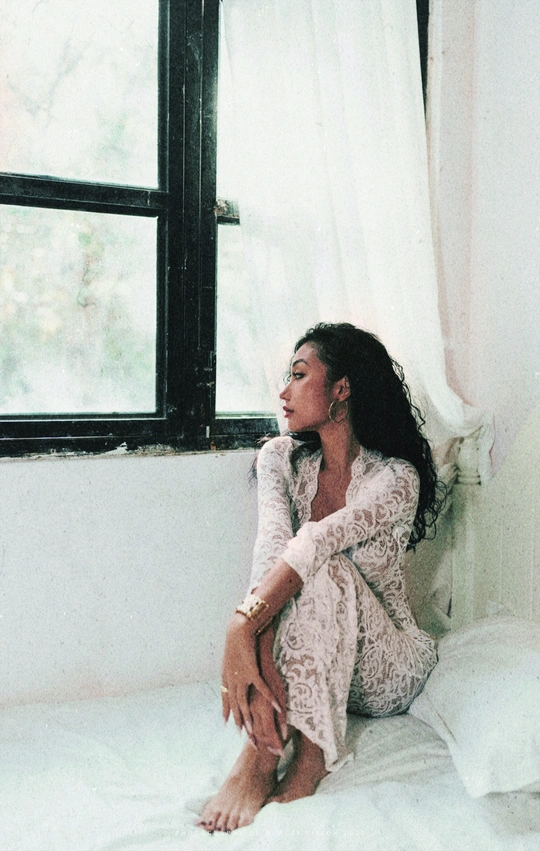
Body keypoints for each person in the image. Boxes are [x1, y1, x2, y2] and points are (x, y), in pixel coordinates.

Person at [197, 322, 444, 834]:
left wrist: (241, 625)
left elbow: (316, 545)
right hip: (318, 660)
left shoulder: (395, 478)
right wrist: (258, 640)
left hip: (385, 668)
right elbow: (271, 546)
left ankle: (299, 757)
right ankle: (264, 751)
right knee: (290, 565)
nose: (283, 392)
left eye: (298, 375)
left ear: (341, 389)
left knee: (325, 564)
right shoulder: (280, 458)